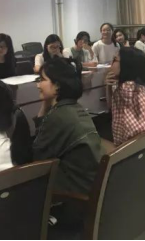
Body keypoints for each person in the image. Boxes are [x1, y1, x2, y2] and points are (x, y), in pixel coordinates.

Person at [33, 58, 103, 195]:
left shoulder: (57, 117)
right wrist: (46, 103)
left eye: (42, 80)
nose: (38, 85)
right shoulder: (74, 107)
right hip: (91, 182)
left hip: (77, 191)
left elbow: (39, 157)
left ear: (57, 86)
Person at [107, 48, 145, 146]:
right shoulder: (142, 86)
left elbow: (118, 133)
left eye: (115, 60)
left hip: (133, 149)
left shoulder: (125, 89)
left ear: (126, 65)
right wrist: (108, 86)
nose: (111, 64)